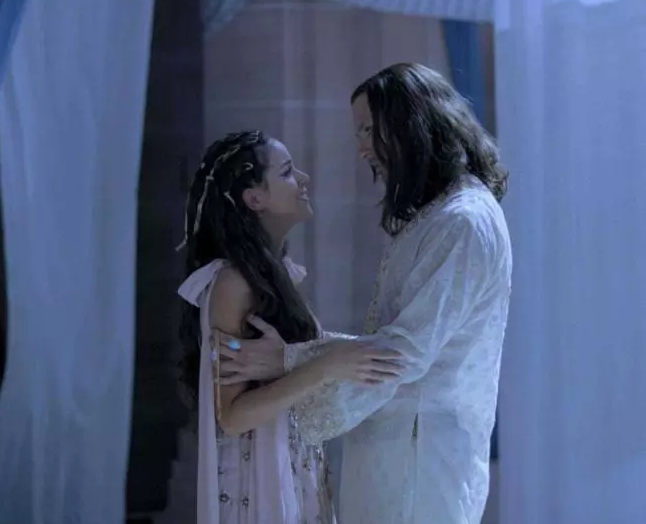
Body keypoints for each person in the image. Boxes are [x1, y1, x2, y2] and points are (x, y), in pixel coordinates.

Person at [216, 64, 513, 524]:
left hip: (418, 466)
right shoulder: (438, 215)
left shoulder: (462, 220)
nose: (360, 149)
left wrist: (292, 361)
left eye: (369, 130)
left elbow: (401, 354)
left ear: (411, 124)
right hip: (399, 455)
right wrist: (301, 361)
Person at [176, 130, 403, 524]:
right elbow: (231, 416)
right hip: (258, 482)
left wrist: (305, 362)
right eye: (286, 172)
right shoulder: (233, 283)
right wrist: (327, 364)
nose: (303, 179)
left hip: (293, 466)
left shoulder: (275, 275)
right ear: (254, 198)